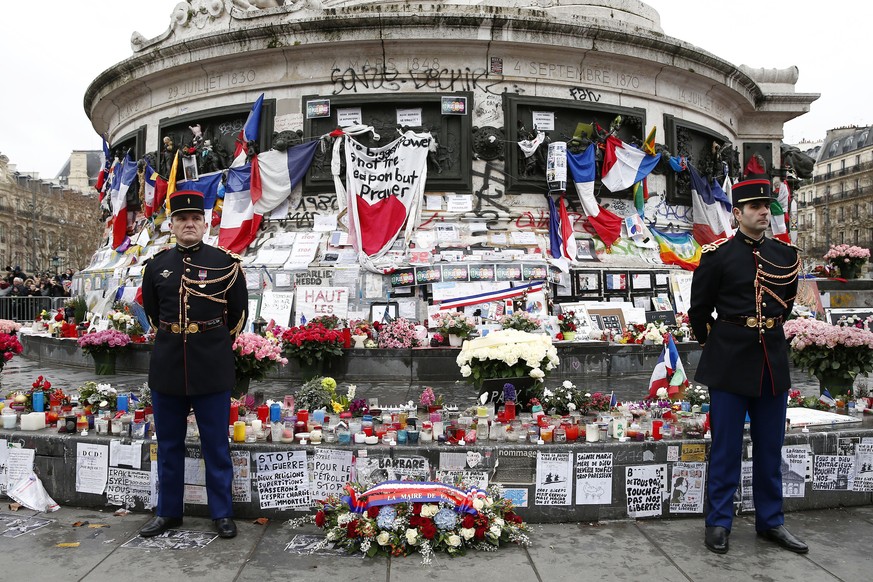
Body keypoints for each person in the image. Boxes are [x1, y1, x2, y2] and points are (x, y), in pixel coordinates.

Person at [689, 177, 806, 555]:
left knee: (771, 448)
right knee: (725, 448)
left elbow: (784, 305)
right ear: (736, 213)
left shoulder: (785, 256)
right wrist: (719, 344)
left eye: (766, 207)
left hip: (771, 361)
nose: (762, 213)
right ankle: (719, 522)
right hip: (729, 362)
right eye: (754, 207)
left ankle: (771, 522)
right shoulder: (717, 255)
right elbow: (699, 310)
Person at [140, 190, 248, 539]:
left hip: (211, 366)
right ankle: (168, 512)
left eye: (195, 219)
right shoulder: (156, 265)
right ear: (171, 225)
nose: (189, 224)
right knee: (168, 446)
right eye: (182, 219)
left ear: (205, 224)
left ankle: (221, 513)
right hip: (168, 366)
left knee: (215, 445)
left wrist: (211, 343)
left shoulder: (226, 264)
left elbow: (237, 316)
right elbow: (155, 315)